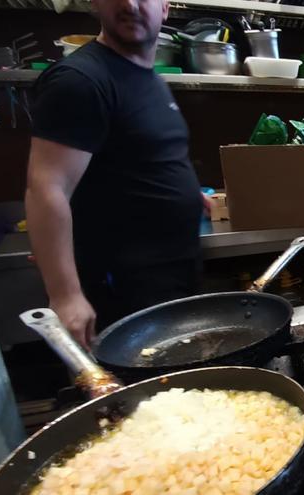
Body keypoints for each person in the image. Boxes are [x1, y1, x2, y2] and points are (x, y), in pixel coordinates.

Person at [25, 0, 203, 349]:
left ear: (165, 7)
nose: (130, 4)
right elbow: (47, 187)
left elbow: (141, 157)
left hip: (168, 281)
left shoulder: (146, 77)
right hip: (121, 293)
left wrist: (189, 194)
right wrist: (65, 295)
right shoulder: (80, 80)